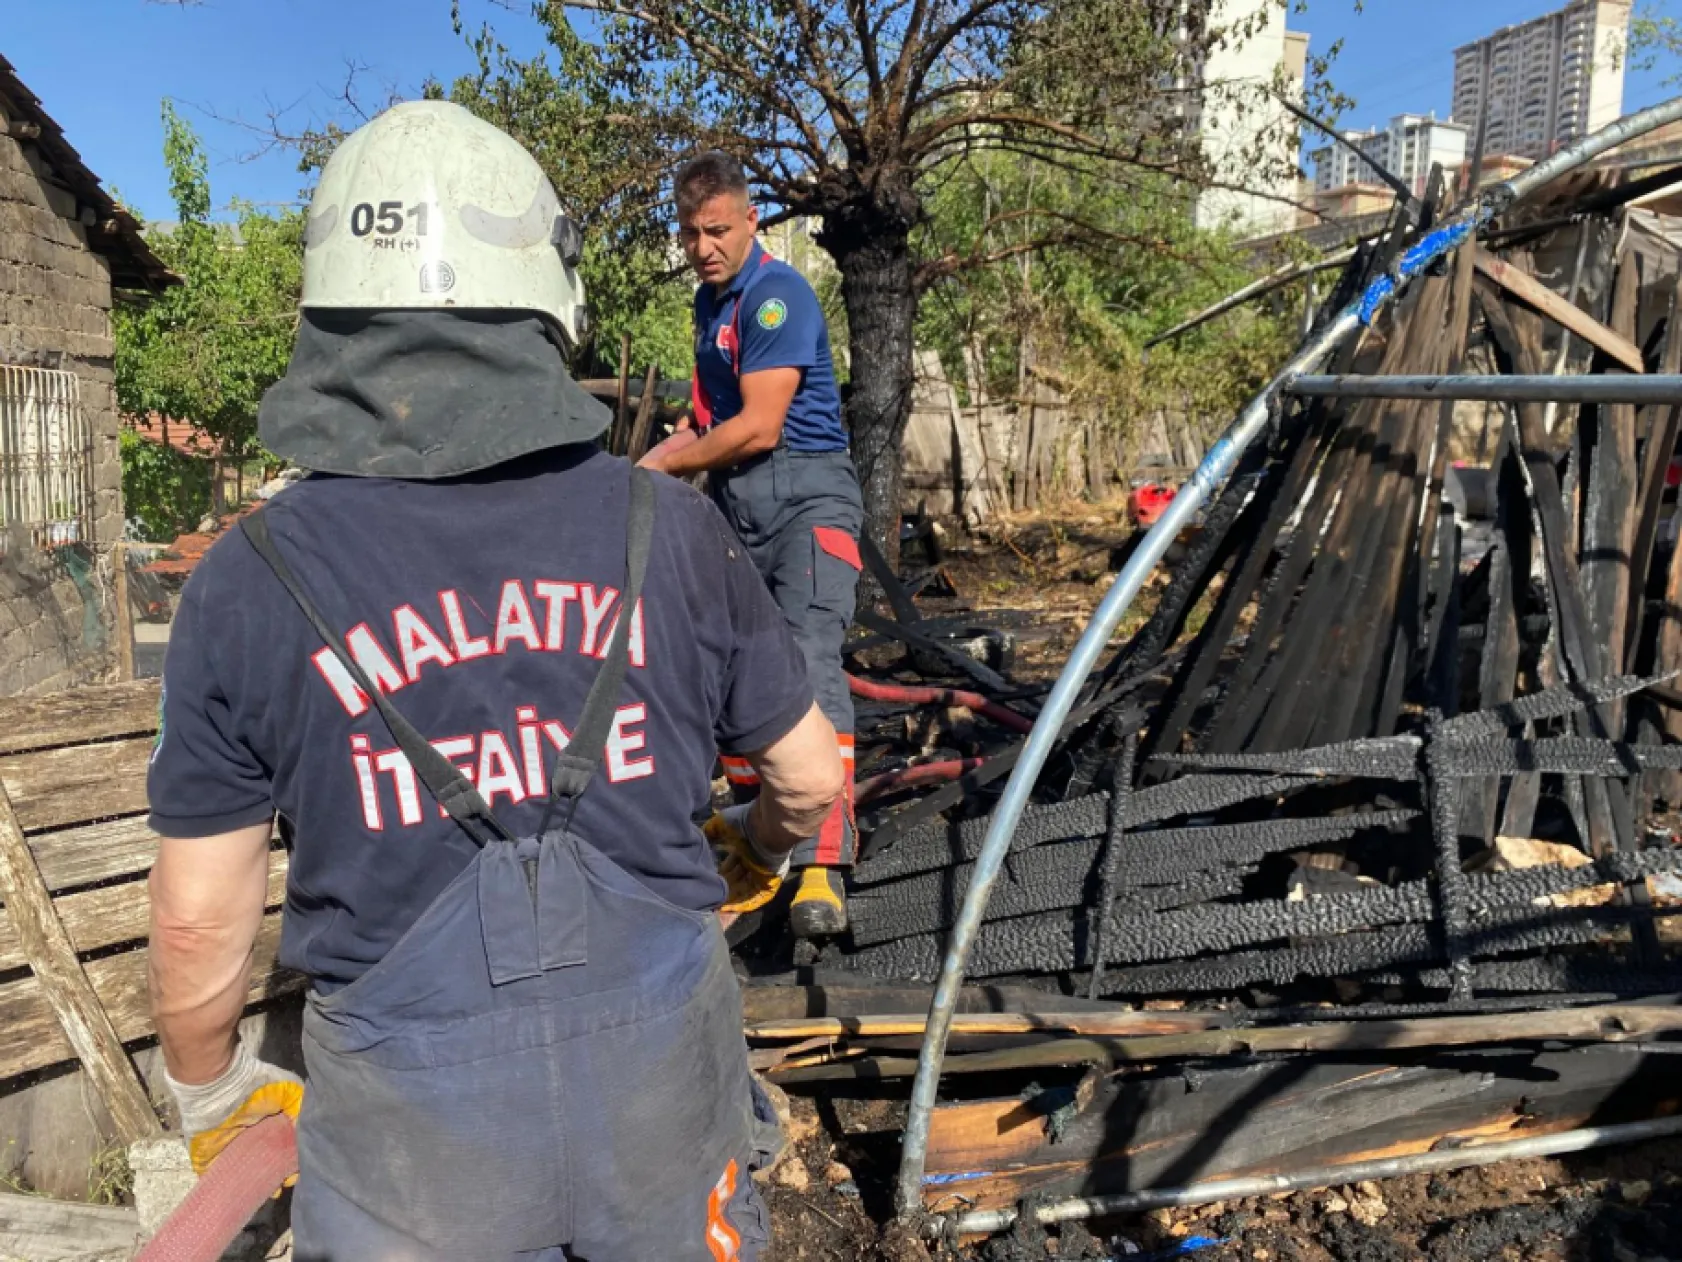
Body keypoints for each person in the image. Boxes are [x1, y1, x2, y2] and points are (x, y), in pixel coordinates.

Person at [145, 100, 843, 1262]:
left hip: (413, 1160)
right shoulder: (664, 526)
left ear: (331, 314)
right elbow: (811, 773)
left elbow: (195, 920)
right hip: (661, 1101)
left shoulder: (245, 580)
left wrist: (211, 1090)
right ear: (543, 299)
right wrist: (757, 851)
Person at [638, 152, 864, 939]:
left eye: (718, 230)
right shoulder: (709, 309)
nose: (704, 246)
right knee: (729, 669)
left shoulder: (778, 297)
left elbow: (760, 426)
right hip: (739, 507)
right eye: (692, 233)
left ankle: (823, 868)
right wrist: (649, 467)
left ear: (750, 221)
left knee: (805, 660)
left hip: (807, 499)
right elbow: (707, 422)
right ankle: (752, 843)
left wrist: (670, 461)